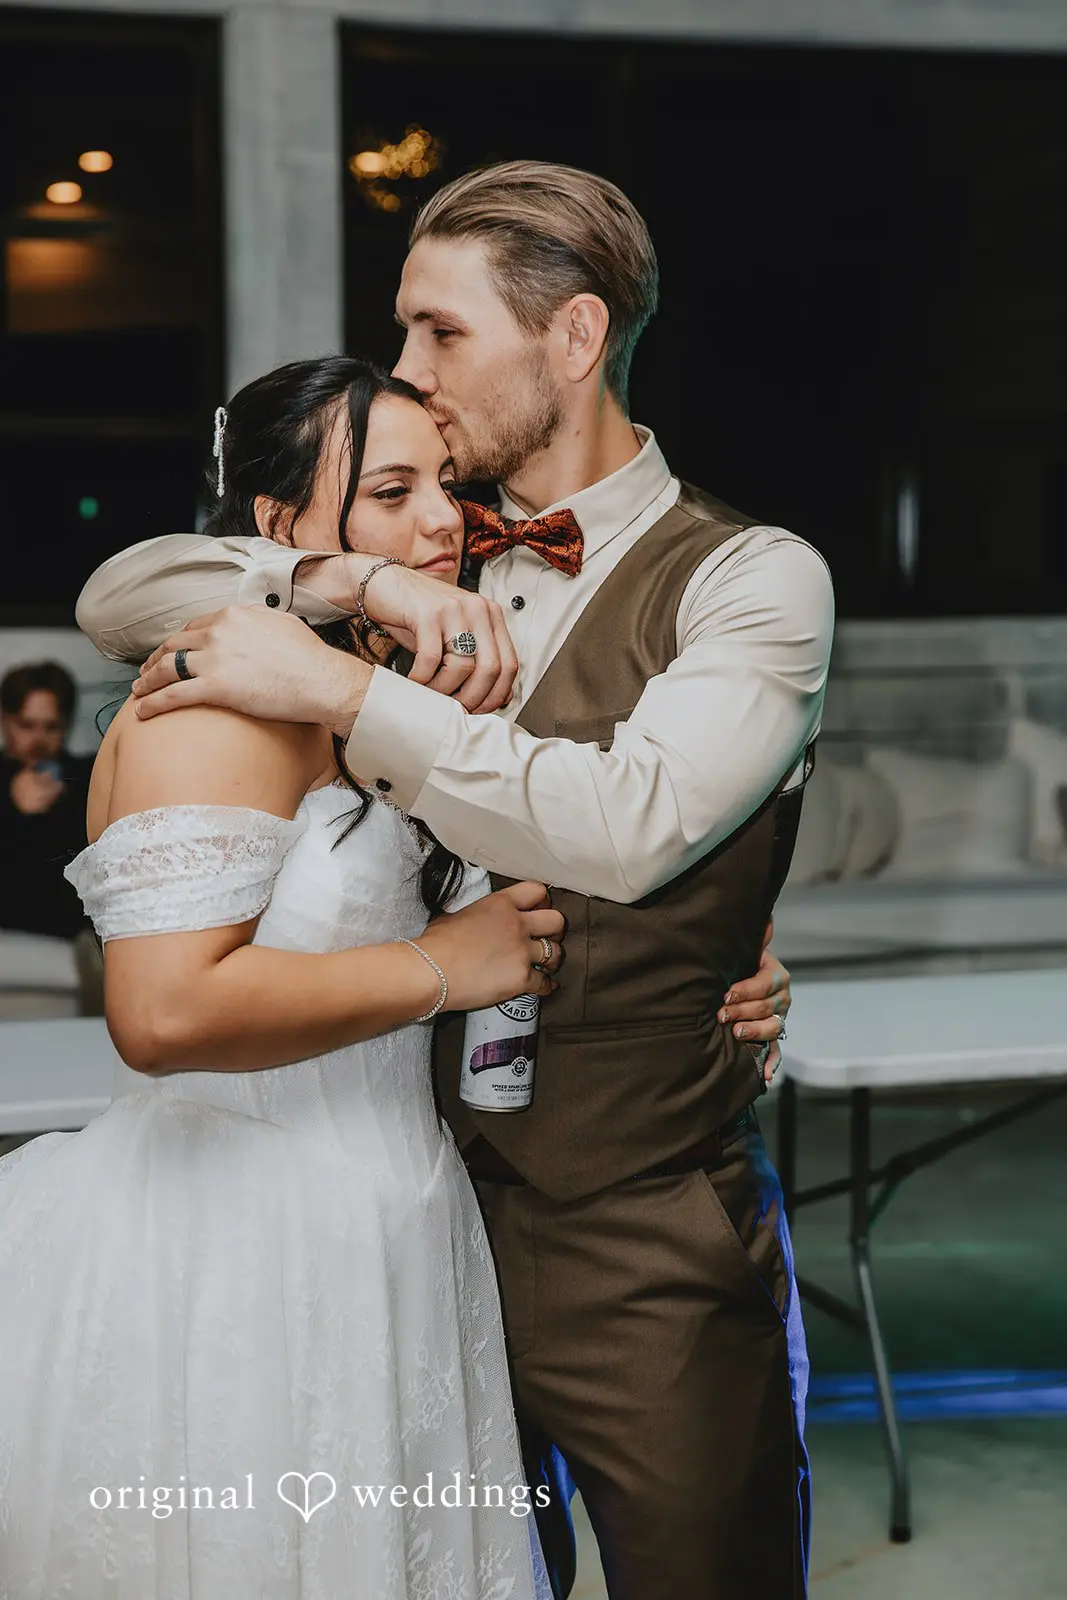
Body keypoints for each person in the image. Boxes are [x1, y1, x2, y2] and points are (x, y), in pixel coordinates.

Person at [77, 161, 835, 1599]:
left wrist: (347, 693)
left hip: (640, 1247)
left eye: (439, 334)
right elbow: (117, 595)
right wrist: (346, 590)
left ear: (571, 339)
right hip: (401, 1227)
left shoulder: (752, 575)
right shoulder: (419, 542)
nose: (410, 370)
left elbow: (628, 826)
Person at [0, 358, 565, 1599]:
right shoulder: (209, 706)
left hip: (399, 1226)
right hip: (241, 1252)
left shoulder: (373, 695)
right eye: (390, 491)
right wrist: (439, 966)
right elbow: (159, 1013)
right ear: (280, 531)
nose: (438, 523)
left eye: (447, 487)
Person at [0, 661, 91, 942]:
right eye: (26, 725)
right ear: (5, 720)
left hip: (71, 936)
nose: (38, 739)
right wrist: (17, 814)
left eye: (51, 727)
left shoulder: (86, 777)